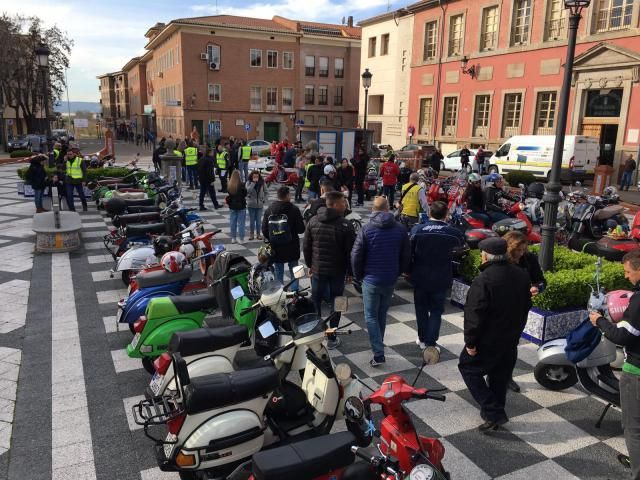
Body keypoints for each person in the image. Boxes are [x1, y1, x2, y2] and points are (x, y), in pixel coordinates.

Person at [458, 237, 531, 433]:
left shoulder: (484, 280)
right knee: (499, 377)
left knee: (468, 369)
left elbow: (474, 313)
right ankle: (493, 418)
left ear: (486, 256)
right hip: (510, 339)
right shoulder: (522, 275)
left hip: (488, 341)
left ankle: (494, 411)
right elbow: (526, 307)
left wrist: (470, 342)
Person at [590, 250, 640, 478]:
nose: (627, 277)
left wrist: (599, 321)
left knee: (633, 427)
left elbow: (622, 337)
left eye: (628, 272)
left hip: (636, 372)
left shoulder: (639, 301)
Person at [352, 197, 410, 366]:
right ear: (388, 208)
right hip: (390, 279)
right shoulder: (400, 229)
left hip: (370, 279)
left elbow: (356, 255)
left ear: (373, 210)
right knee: (381, 314)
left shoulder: (366, 229)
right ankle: (379, 345)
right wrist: (398, 272)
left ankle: (378, 353)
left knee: (370, 316)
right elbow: (406, 255)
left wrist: (358, 276)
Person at [303, 191, 356, 349]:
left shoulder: (313, 221)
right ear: (333, 204)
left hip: (318, 270)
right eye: (342, 202)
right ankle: (332, 337)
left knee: (316, 300)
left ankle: (316, 334)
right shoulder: (345, 225)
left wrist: (310, 265)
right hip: (337, 272)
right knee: (337, 302)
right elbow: (351, 252)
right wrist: (350, 272)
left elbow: (306, 247)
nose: (345, 204)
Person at [410, 201, 465, 350]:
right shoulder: (454, 232)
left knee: (421, 309)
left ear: (429, 213)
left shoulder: (417, 230)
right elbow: (462, 248)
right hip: (441, 277)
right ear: (446, 215)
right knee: (436, 310)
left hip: (420, 276)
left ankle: (423, 339)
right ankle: (430, 343)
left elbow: (409, 252)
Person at [504, 231, 546, 393]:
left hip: (520, 307)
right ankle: (492, 374)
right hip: (499, 307)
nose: (521, 254)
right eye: (518, 250)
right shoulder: (501, 260)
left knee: (512, 343)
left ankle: (507, 376)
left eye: (523, 250)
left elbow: (541, 280)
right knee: (496, 342)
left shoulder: (530, 259)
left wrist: (538, 287)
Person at [262, 186, 306, 290]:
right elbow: (301, 229)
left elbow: (264, 229)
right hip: (292, 245)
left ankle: (280, 292)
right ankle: (295, 293)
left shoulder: (270, 209)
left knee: (278, 270)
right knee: (295, 270)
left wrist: (272, 238)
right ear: (287, 195)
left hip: (276, 247)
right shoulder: (294, 209)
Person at [226, 170, 247, 244]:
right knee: (241, 223)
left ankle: (233, 238)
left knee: (232, 222)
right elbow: (245, 194)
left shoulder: (229, 185)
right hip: (241, 206)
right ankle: (241, 239)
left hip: (232, 206)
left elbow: (229, 194)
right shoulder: (242, 185)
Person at [65, 147, 88, 212]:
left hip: (78, 180)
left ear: (74, 154)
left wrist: (84, 180)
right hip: (69, 180)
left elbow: (84, 171)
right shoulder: (66, 161)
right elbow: (63, 168)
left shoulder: (80, 160)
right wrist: (64, 161)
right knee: (69, 195)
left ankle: (84, 206)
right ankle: (72, 208)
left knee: (81, 194)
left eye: (70, 154)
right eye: (68, 154)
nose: (69, 156)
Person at [246, 170, 267, 241]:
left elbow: (266, 192)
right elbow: (248, 191)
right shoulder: (248, 182)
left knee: (258, 221)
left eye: (257, 176)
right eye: (254, 176)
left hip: (260, 205)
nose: (256, 178)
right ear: (252, 176)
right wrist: (253, 183)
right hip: (251, 205)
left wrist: (264, 199)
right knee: (252, 221)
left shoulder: (262, 182)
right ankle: (251, 234)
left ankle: (258, 234)